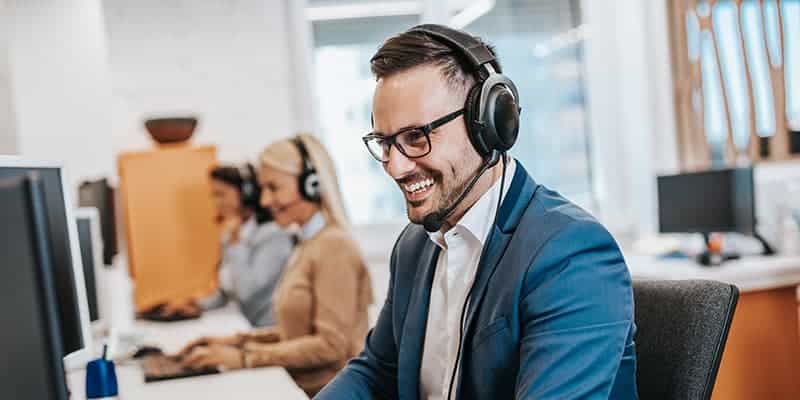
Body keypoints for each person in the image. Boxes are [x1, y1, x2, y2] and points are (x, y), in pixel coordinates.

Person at [316, 25, 638, 399]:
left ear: (487, 122)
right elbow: (377, 373)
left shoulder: (570, 254)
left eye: (416, 138)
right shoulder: (414, 246)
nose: (395, 167)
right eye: (385, 143)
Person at [179, 134, 374, 397]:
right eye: (263, 189)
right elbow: (296, 333)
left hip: (325, 391)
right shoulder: (308, 244)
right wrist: (236, 342)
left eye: (274, 188)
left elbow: (330, 346)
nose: (264, 201)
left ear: (311, 185)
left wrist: (246, 357)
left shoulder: (334, 247)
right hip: (302, 387)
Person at [161, 164, 294, 327]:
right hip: (247, 328)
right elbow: (226, 292)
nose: (216, 202)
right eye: (213, 195)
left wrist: (235, 243)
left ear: (246, 194)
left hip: (271, 330)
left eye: (221, 194)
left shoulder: (273, 237)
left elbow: (247, 292)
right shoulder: (229, 236)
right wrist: (195, 304)